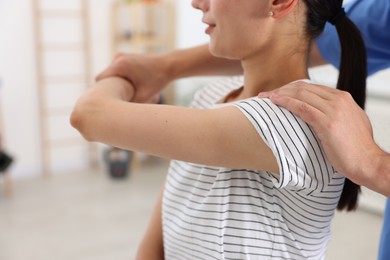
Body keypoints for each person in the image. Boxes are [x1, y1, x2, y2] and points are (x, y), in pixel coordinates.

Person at [72, 0, 367, 259]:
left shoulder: (292, 121)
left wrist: (126, 76)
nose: (197, 3)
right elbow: (162, 235)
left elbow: (88, 116)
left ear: (278, 2)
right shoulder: (210, 97)